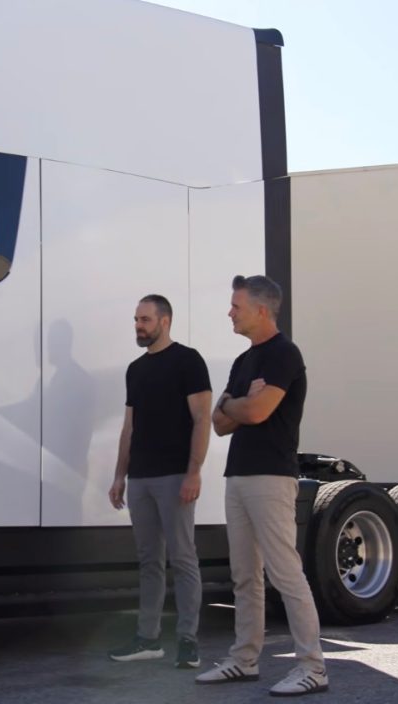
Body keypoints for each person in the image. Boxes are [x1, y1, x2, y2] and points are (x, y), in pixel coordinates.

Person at [195, 275, 328, 696]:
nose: (229, 312)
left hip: (271, 477)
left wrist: (239, 406)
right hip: (237, 477)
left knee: (285, 573)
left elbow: (255, 412)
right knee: (244, 576)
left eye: (236, 306)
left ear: (262, 310)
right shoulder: (243, 362)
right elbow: (218, 423)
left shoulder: (285, 355)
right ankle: (243, 660)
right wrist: (240, 403)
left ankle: (313, 667)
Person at [106, 294, 213, 669]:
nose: (138, 326)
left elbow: (202, 419)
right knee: (149, 560)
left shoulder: (188, 361)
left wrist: (194, 471)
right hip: (141, 479)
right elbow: (128, 428)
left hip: (175, 477)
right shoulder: (135, 369)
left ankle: (187, 640)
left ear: (164, 321)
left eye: (145, 319)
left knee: (183, 558)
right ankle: (147, 639)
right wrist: (120, 475)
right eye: (136, 319)